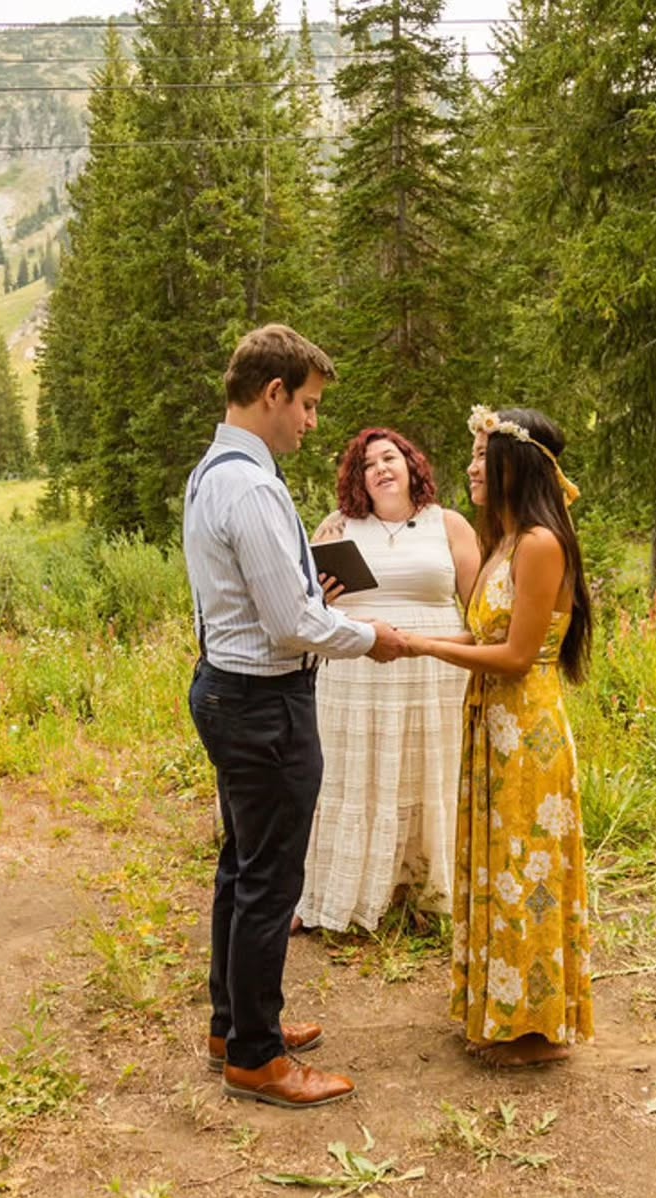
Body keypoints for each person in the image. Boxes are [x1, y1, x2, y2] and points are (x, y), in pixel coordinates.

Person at [184, 325, 407, 1109]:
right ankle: (256, 1055)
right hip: (263, 701)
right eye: (308, 406)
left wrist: (308, 589)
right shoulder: (250, 485)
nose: (313, 423)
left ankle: (234, 1021)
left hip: (229, 687)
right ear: (272, 393)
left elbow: (263, 596)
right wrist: (372, 637)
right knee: (270, 880)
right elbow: (290, 626)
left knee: (242, 866)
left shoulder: (215, 471)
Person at [404, 405, 594, 1068]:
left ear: (518, 464)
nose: (472, 468)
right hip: (493, 726)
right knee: (498, 866)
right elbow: (483, 636)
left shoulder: (541, 543)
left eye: (484, 456)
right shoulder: (505, 543)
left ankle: (536, 1029)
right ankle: (502, 1009)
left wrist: (426, 646)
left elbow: (516, 657)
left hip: (529, 732)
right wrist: (408, 643)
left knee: (527, 872)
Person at [295, 428, 480, 934]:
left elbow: (481, 605)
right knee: (360, 776)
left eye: (388, 457)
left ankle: (430, 892)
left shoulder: (449, 525)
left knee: (430, 770)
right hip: (359, 672)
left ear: (410, 464)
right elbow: (305, 607)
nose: (379, 468)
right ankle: (356, 891)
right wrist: (324, 599)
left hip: (435, 670)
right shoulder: (337, 526)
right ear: (358, 481)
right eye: (366, 464)